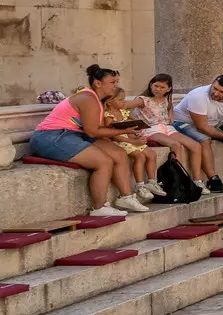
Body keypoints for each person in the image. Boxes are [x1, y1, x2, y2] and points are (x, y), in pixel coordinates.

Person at [29, 64, 152, 216]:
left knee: (119, 153)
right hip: (51, 137)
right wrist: (125, 130)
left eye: (117, 82)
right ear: (98, 83)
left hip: (74, 134)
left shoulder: (99, 99)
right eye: (112, 82)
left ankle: (126, 197)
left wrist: (127, 130)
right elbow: (93, 132)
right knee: (103, 162)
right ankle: (99, 208)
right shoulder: (87, 98)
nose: (116, 86)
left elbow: (98, 128)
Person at [132, 73, 208, 186]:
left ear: (169, 89)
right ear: (151, 85)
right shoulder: (143, 100)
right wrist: (136, 122)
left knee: (196, 146)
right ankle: (180, 179)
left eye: (162, 87)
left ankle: (197, 181)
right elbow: (123, 108)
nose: (158, 89)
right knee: (175, 145)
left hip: (167, 128)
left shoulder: (167, 100)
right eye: (156, 86)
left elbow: (170, 119)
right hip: (151, 129)